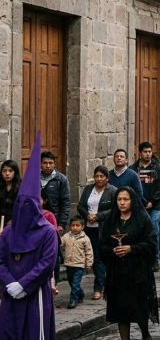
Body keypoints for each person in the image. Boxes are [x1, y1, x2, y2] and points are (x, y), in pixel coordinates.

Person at [0, 135, 58, 339]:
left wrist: (24, 285)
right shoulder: (8, 232)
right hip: (10, 294)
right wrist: (10, 284)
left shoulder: (48, 231)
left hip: (35, 295)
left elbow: (47, 264)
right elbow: (0, 260)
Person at [100, 187, 158, 340]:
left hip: (137, 272)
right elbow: (102, 245)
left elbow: (151, 244)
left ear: (132, 200)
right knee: (121, 311)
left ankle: (145, 334)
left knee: (139, 307)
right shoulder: (112, 220)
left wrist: (131, 249)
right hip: (117, 273)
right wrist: (113, 251)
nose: (122, 203)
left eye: (125, 199)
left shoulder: (142, 219)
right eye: (119, 199)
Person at [77, 165, 117, 300]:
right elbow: (80, 205)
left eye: (102, 176)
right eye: (97, 176)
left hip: (104, 229)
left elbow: (115, 209)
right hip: (89, 228)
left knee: (100, 258)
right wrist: (87, 215)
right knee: (92, 258)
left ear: (107, 178)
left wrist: (98, 216)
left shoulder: (112, 191)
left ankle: (98, 288)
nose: (99, 179)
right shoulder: (89, 189)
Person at [131, 142, 160, 272]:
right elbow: (132, 187)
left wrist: (152, 200)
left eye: (150, 151)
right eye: (145, 151)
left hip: (154, 206)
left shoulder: (157, 168)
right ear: (140, 153)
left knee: (154, 232)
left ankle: (155, 258)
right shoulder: (133, 169)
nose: (148, 154)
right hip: (138, 206)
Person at [62, 215, 93, 308]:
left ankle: (73, 300)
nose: (74, 227)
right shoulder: (66, 236)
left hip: (79, 265)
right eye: (73, 225)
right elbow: (60, 242)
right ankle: (81, 293)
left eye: (77, 225)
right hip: (69, 264)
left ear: (82, 227)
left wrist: (89, 263)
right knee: (71, 282)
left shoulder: (85, 239)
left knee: (75, 283)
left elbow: (89, 252)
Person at [0, 160, 20, 226]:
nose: (7, 174)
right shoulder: (1, 185)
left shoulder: (21, 186)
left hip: (16, 222)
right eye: (4, 171)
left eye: (10, 171)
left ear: (15, 172)